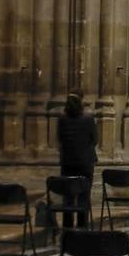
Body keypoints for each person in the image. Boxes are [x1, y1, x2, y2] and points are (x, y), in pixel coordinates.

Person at [56, 93, 96, 228]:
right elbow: (94, 139)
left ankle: (67, 227)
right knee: (83, 197)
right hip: (85, 163)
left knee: (68, 197)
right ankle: (82, 226)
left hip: (68, 162)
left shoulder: (62, 119)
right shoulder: (88, 119)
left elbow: (60, 138)